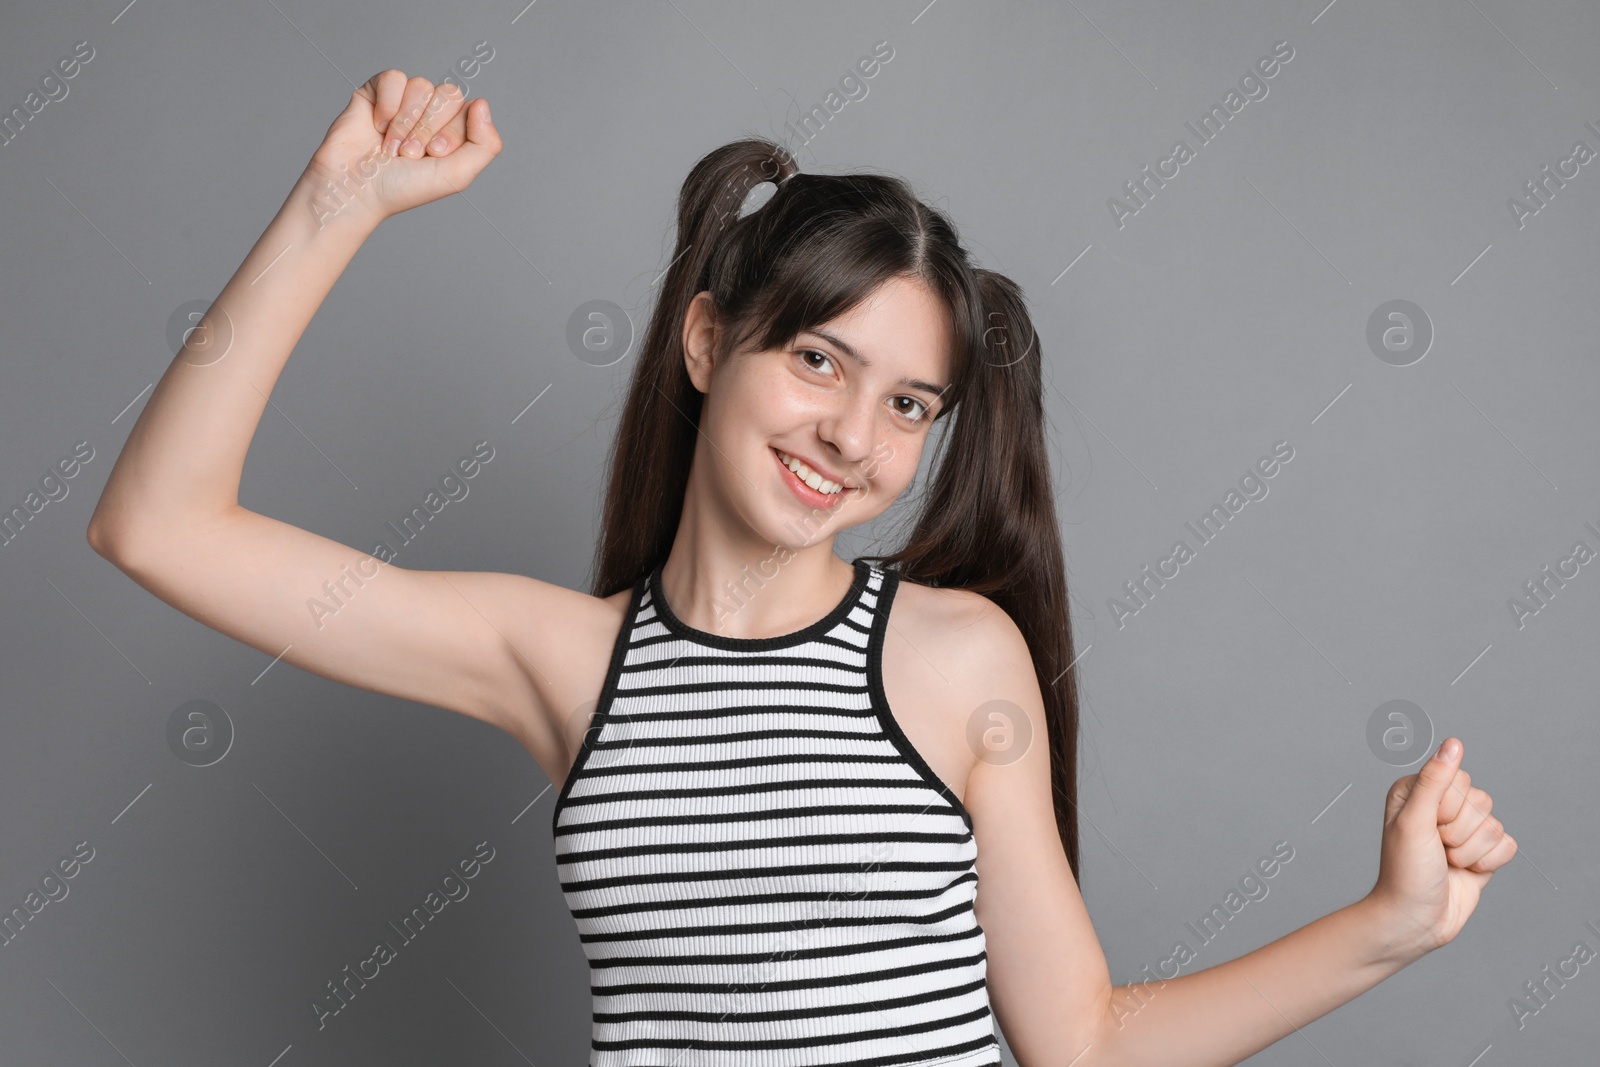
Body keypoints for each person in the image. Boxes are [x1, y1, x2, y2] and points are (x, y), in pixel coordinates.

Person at [87, 69, 1518, 1067]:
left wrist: (1387, 929)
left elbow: (1082, 1042)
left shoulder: (958, 660)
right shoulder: (564, 665)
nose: (852, 433)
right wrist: (338, 206)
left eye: (907, 404)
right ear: (710, 346)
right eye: (818, 359)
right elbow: (158, 525)